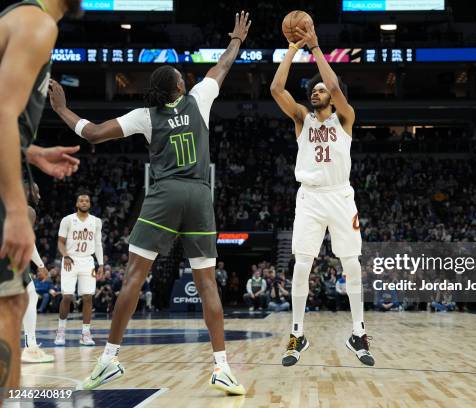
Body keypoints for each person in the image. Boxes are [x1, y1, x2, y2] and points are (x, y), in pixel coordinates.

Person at [48, 11, 252, 394]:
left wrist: (60, 109)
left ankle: (109, 359)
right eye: (180, 75)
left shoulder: (146, 116)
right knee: (207, 283)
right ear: (178, 85)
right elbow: (224, 65)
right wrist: (237, 39)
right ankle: (222, 366)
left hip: (165, 195)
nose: (184, 76)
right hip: (199, 195)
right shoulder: (199, 98)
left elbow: (93, 134)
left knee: (134, 278)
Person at [270, 23, 374, 367]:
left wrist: (315, 49)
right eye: (312, 90)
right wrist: (291, 48)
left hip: (341, 197)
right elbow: (275, 88)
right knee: (302, 265)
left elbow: (332, 82)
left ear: (333, 96)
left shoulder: (345, 118)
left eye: (320, 90)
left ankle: (358, 333)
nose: (315, 92)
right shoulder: (303, 118)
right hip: (311, 198)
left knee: (351, 265)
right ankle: (297, 333)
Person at [0, 0, 81, 398]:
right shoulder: (37, 24)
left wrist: (31, 152)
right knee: (9, 305)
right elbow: (3, 114)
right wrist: (17, 212)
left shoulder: (18, 17)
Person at [54, 192, 103, 347]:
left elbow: (98, 244)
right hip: (70, 260)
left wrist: (100, 264)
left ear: (90, 204)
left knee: (88, 297)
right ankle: (61, 331)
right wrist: (65, 256)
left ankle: (85, 333)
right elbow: (60, 242)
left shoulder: (96, 221)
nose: (84, 202)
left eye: (87, 200)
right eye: (81, 200)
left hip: (88, 261)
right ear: (77, 204)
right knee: (67, 296)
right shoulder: (67, 220)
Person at [22, 181, 55, 363]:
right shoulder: (27, 210)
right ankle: (30, 348)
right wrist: (40, 265)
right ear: (26, 191)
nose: (39, 196)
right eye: (37, 192)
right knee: (30, 297)